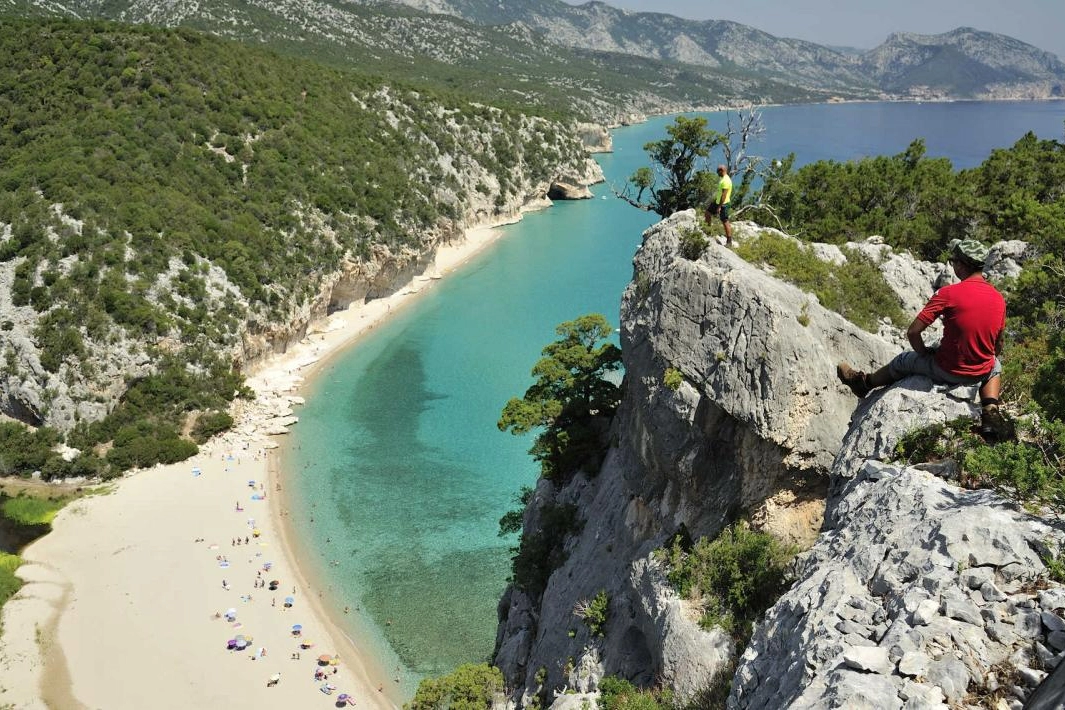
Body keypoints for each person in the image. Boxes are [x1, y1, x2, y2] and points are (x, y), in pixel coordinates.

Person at [837, 238, 1006, 436]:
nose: (953, 267)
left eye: (954, 262)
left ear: (962, 265)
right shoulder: (998, 298)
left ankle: (863, 383)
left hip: (948, 370)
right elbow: (998, 344)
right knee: (995, 365)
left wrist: (923, 352)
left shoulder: (948, 293)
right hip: (979, 371)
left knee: (903, 360)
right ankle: (990, 411)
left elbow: (913, 332)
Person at [704, 164, 733, 247]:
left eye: (718, 172)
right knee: (707, 213)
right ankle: (708, 231)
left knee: (725, 221)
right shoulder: (723, 179)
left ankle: (729, 241)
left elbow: (724, 195)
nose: (717, 173)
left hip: (723, 204)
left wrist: (719, 206)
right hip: (718, 202)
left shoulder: (726, 181)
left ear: (721, 170)